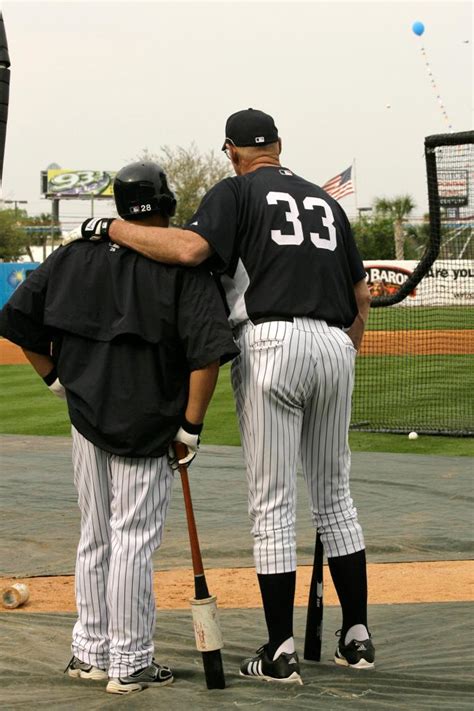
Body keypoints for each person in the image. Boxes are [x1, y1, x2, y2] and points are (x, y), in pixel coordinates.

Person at [76, 109, 374, 683]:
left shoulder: (237, 190)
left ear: (232, 150)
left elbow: (188, 251)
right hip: (337, 345)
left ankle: (279, 651)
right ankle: (357, 637)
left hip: (270, 340)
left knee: (273, 506)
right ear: (280, 145)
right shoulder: (328, 203)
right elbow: (361, 294)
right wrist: (341, 356)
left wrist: (109, 228)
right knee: (336, 499)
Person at [0, 161, 238, 695]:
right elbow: (207, 356)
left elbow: (16, 322)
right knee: (134, 540)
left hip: (86, 420)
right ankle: (129, 661)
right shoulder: (182, 265)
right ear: (166, 205)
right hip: (149, 425)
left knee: (96, 536)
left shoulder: (73, 256)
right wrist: (191, 429)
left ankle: (89, 654)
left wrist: (56, 380)